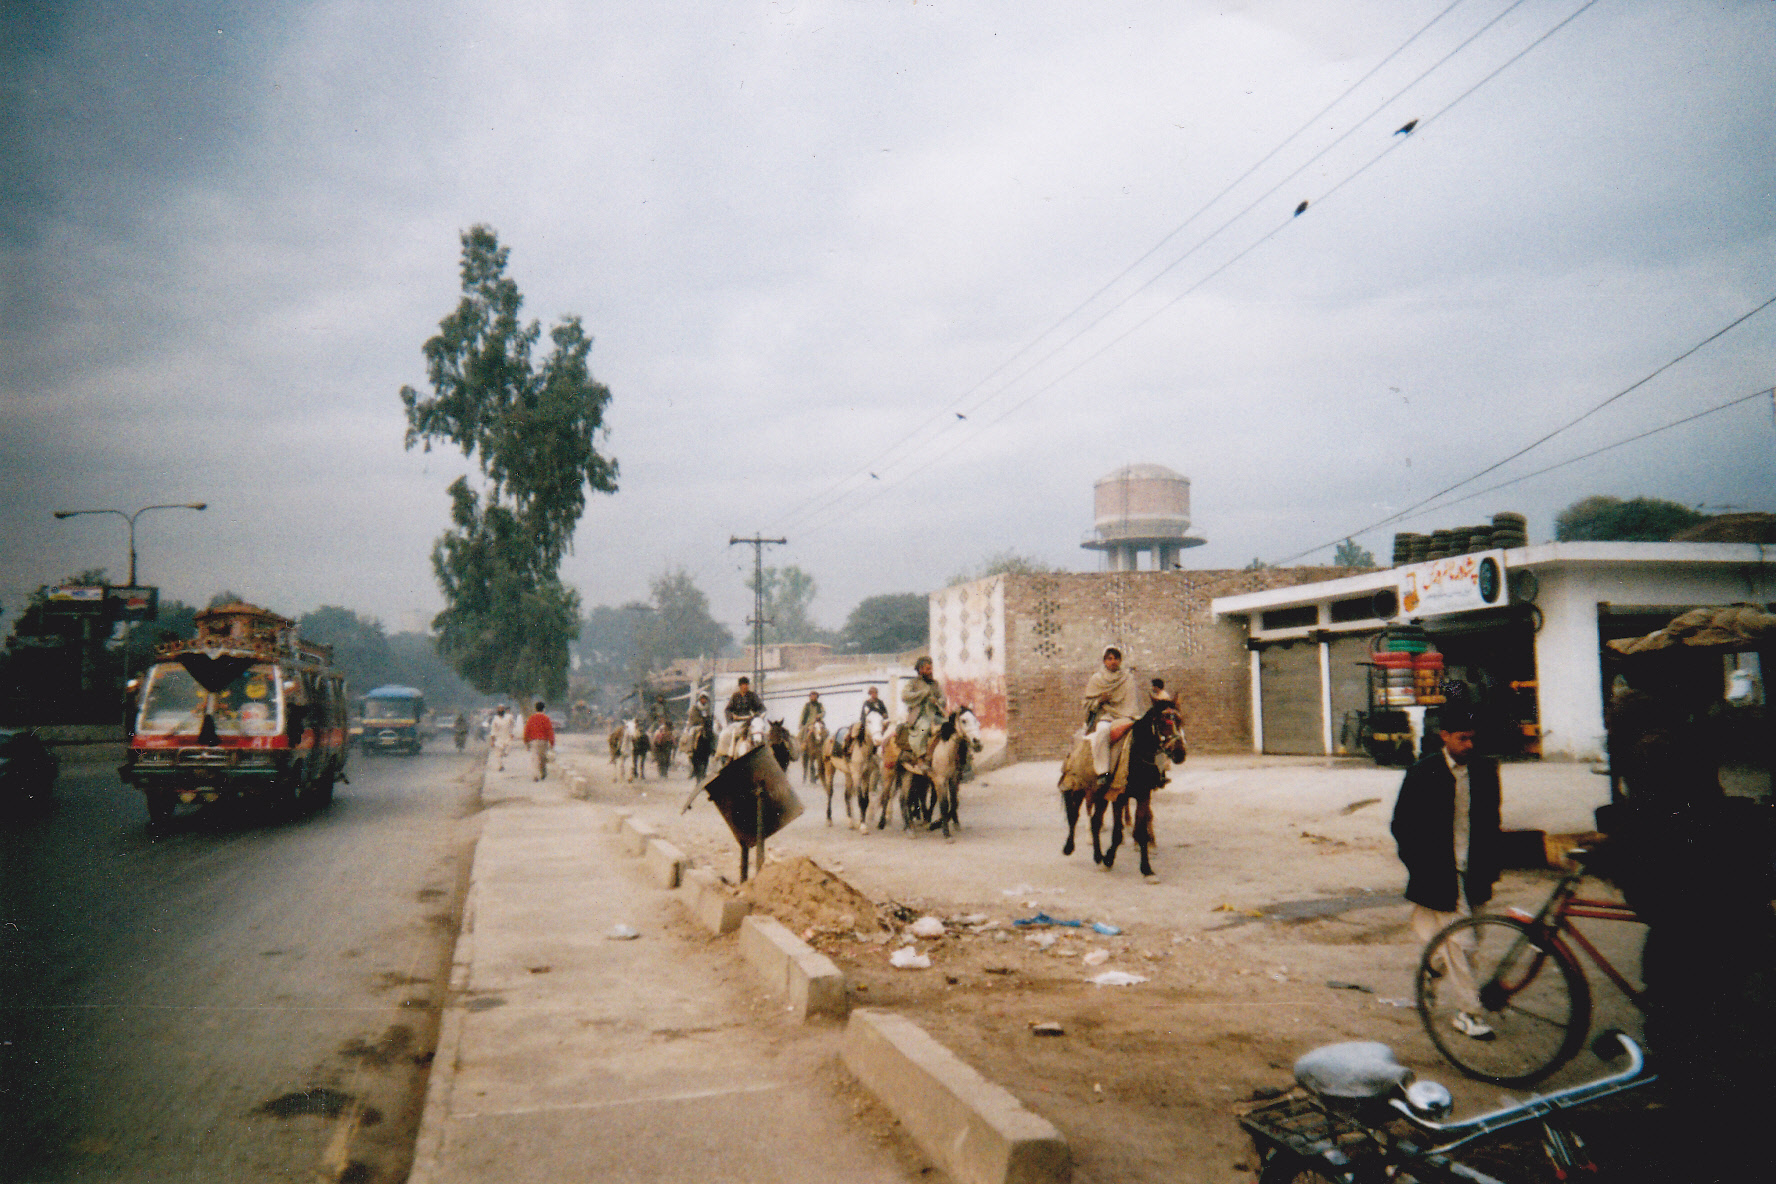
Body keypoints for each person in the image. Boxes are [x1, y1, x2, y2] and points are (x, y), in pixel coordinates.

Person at [1389, 708, 1502, 1040]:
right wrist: (1421, 867)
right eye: (1461, 738)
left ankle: (1429, 972)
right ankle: (1469, 1012)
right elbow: (1402, 825)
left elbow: (1492, 822)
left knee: (1469, 943)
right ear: (1445, 737)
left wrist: (1492, 866)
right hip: (1440, 875)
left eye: (1472, 738)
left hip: (1475, 872)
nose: (1468, 745)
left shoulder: (1484, 770)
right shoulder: (1423, 773)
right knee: (1459, 943)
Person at [1083, 646, 1148, 784]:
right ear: (1104, 661)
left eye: (1116, 658)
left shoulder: (1127, 678)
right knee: (1102, 731)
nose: (1113, 662)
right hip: (1107, 717)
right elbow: (1087, 703)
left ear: (1120, 660)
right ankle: (1103, 772)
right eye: (1109, 659)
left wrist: (1132, 716)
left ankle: (1153, 772)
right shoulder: (1097, 679)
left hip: (1127, 715)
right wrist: (1100, 700)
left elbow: (1133, 701)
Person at [900, 657, 946, 767]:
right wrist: (922, 694)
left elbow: (943, 699)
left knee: (950, 726)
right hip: (919, 715)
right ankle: (920, 758)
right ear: (920, 670)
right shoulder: (913, 683)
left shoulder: (935, 684)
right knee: (924, 729)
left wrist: (937, 701)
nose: (931, 672)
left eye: (931, 669)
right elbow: (904, 695)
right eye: (928, 669)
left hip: (934, 715)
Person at [717, 676, 765, 761]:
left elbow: (762, 708)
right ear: (739, 686)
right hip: (737, 722)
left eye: (746, 684)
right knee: (724, 735)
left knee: (759, 735)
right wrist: (732, 716)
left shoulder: (752, 696)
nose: (745, 686)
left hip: (751, 722)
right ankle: (727, 756)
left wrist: (755, 715)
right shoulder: (735, 696)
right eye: (743, 685)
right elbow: (727, 710)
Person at [523, 699, 556, 781]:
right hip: (543, 741)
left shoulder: (531, 718)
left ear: (535, 709)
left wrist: (526, 741)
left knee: (535, 758)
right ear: (544, 709)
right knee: (543, 758)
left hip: (533, 741)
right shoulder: (546, 718)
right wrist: (552, 742)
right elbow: (549, 731)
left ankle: (535, 775)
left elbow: (527, 730)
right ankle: (543, 772)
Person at [488, 704, 514, 771]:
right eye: (499, 709)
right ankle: (500, 766)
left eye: (502, 708)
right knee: (498, 754)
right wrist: (492, 741)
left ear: (504, 710)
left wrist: (512, 733)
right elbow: (493, 731)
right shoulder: (495, 719)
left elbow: (513, 725)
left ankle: (505, 753)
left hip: (507, 737)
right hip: (499, 738)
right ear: (497, 710)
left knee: (507, 751)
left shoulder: (509, 717)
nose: (500, 710)